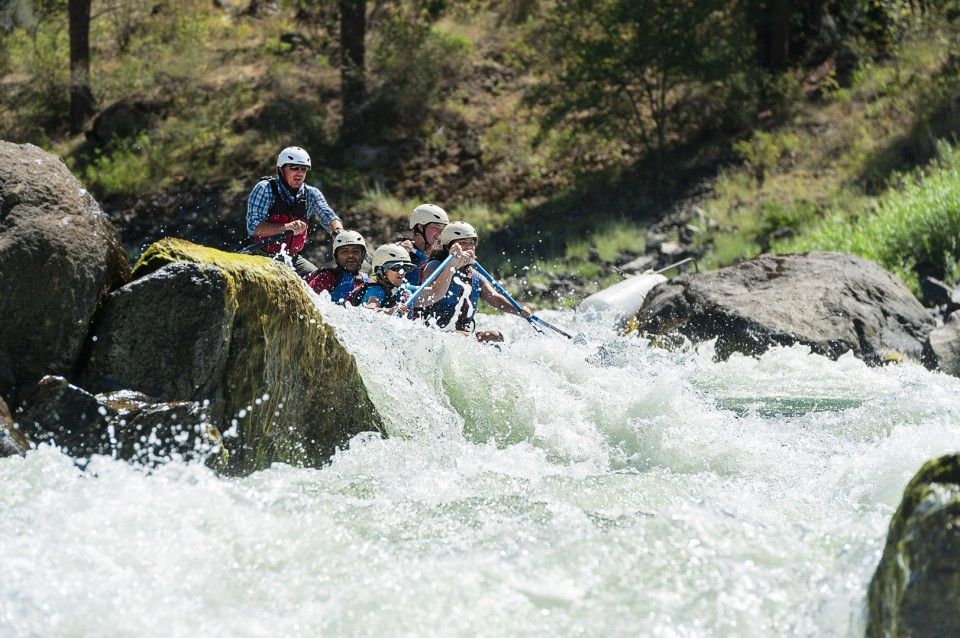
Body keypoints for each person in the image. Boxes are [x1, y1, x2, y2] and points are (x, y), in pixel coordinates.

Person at [416, 221, 531, 343]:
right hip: (434, 333)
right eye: (463, 243)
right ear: (448, 247)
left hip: (463, 335)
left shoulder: (475, 275)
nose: (469, 247)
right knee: (461, 336)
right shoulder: (434, 267)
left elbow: (494, 298)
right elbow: (430, 293)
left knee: (495, 336)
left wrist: (519, 310)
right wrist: (453, 265)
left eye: (471, 243)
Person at [245, 146, 345, 279]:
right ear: (280, 170)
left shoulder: (312, 193)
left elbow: (329, 216)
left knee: (322, 280)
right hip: (263, 255)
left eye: (303, 169)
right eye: (294, 167)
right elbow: (253, 227)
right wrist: (286, 227)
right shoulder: (264, 188)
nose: (299, 173)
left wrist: (338, 232)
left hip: (292, 259)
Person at [348, 244, 418, 313]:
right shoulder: (376, 291)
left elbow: (426, 295)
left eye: (405, 267)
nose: (402, 272)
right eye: (396, 268)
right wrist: (390, 311)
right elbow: (369, 311)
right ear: (381, 271)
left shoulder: (403, 288)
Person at [305, 230, 369, 303]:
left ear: (363, 255)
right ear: (336, 257)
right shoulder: (324, 278)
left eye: (355, 251)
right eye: (344, 251)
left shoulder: (368, 282)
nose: (350, 255)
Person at [398, 203, 448, 285]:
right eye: (436, 227)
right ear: (421, 227)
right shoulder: (401, 250)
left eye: (443, 229)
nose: (440, 233)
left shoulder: (442, 254)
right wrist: (400, 256)